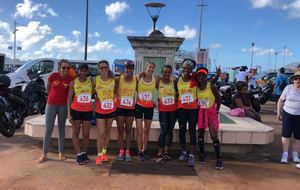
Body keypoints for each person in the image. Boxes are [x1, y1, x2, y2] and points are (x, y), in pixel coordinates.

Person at [37, 59, 74, 163]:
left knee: (61, 129)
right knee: (48, 129)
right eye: (64, 67)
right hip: (51, 105)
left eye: (68, 68)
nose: (66, 69)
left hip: (63, 106)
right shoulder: (53, 76)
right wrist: (52, 97)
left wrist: (68, 110)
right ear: (59, 68)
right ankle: (44, 154)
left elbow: (70, 97)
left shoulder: (71, 80)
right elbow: (48, 88)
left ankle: (61, 153)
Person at [196, 67, 223, 169]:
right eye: (199, 75)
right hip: (201, 112)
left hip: (211, 112)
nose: (201, 77)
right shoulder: (197, 87)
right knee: (201, 133)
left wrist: (216, 111)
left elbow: (219, 99)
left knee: (213, 135)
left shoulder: (211, 86)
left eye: (203, 75)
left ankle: (219, 158)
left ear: (206, 76)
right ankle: (202, 155)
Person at [67, 63, 93, 165]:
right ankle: (78, 154)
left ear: (87, 71)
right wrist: (69, 114)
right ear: (78, 71)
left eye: (85, 70)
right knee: (76, 133)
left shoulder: (91, 81)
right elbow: (69, 98)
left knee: (86, 134)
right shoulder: (73, 83)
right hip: (76, 110)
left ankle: (84, 153)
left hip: (87, 111)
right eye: (81, 70)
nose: (83, 72)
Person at [93, 60, 116, 165]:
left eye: (105, 67)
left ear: (108, 68)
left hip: (111, 109)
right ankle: (98, 155)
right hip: (100, 110)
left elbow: (116, 92)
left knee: (107, 132)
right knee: (101, 133)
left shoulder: (113, 80)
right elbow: (90, 91)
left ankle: (104, 153)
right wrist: (95, 96)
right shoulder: (95, 80)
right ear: (99, 69)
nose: (103, 69)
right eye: (101, 68)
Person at [176, 59, 198, 167]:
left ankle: (192, 154)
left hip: (193, 109)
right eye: (184, 68)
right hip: (181, 109)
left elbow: (207, 83)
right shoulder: (178, 80)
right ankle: (183, 152)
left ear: (192, 70)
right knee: (182, 130)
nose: (186, 70)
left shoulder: (195, 80)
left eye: (188, 68)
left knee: (192, 130)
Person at [115, 60, 137, 161]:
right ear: (125, 68)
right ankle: (121, 151)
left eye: (130, 68)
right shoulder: (119, 79)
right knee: (120, 131)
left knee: (128, 131)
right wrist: (117, 98)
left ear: (133, 69)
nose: (128, 70)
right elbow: (114, 92)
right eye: (127, 68)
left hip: (130, 109)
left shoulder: (136, 80)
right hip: (120, 108)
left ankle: (127, 151)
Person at [277, 71, 300, 165]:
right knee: (286, 135)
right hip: (288, 113)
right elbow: (280, 100)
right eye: (296, 78)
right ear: (293, 80)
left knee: (298, 136)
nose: (298, 80)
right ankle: (285, 154)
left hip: (299, 115)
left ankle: (295, 154)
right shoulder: (288, 88)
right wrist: (279, 112)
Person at [135, 61, 157, 161]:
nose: (151, 69)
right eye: (149, 67)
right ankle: (139, 151)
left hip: (149, 107)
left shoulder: (155, 78)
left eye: (152, 68)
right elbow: (131, 87)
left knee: (146, 131)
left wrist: (155, 101)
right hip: (139, 106)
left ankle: (144, 150)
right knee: (139, 131)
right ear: (145, 67)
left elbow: (162, 88)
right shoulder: (138, 77)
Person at [155, 65, 177, 163]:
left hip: (173, 110)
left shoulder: (174, 82)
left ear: (171, 73)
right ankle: (160, 152)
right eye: (165, 72)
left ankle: (166, 152)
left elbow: (179, 92)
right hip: (163, 110)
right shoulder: (158, 82)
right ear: (162, 72)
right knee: (163, 131)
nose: (167, 74)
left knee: (170, 131)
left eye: (169, 72)